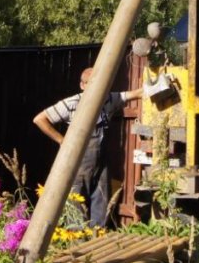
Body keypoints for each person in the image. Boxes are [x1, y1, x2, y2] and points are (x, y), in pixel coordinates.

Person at [32, 67, 142, 228]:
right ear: (82, 85)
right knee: (76, 203)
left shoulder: (109, 100)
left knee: (102, 202)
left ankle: (97, 241)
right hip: (77, 164)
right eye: (92, 85)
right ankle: (77, 244)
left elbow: (136, 94)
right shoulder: (71, 103)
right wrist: (61, 140)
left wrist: (158, 85)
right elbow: (39, 119)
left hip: (100, 164)